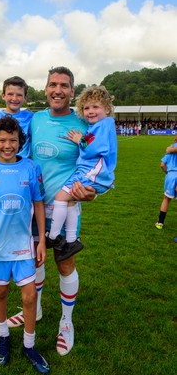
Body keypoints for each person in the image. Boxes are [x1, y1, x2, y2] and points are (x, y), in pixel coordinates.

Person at [7, 66, 96, 356]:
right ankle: (37, 308)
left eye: (64, 86)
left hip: (66, 207)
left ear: (72, 91)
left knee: (64, 264)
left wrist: (94, 191)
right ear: (45, 89)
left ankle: (66, 322)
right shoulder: (35, 120)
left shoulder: (85, 124)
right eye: (52, 84)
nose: (57, 90)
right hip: (33, 208)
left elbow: (101, 164)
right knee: (35, 259)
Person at [0, 116, 50, 373]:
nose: (7, 145)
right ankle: (2, 336)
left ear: (20, 141)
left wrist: (42, 241)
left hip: (24, 246)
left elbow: (38, 204)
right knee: (1, 292)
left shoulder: (31, 168)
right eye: (2, 140)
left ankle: (29, 344)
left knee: (30, 296)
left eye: (13, 140)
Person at [46, 85, 117, 261]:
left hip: (94, 172)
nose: (90, 111)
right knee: (70, 201)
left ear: (107, 109)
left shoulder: (104, 124)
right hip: (90, 171)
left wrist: (80, 140)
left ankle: (53, 236)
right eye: (86, 108)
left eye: (96, 107)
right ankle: (71, 241)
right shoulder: (98, 125)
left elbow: (93, 149)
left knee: (61, 197)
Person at [0, 76, 33, 158]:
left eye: (19, 95)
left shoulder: (30, 117)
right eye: (10, 94)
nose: (14, 98)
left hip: (26, 165)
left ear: (25, 98)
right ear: (3, 95)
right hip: (5, 165)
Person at [154, 141, 177, 229]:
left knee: (166, 199)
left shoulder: (170, 149)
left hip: (170, 176)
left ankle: (160, 223)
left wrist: (168, 173)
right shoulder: (171, 148)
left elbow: (162, 165)